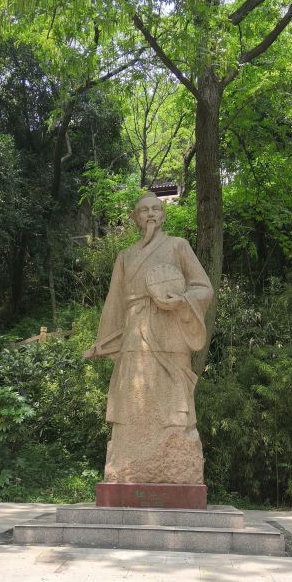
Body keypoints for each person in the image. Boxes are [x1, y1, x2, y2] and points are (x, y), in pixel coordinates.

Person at [84, 190, 214, 485]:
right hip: (134, 332)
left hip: (171, 330)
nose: (151, 213)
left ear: (163, 215)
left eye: (156, 208)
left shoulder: (178, 246)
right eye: (144, 210)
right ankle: (130, 460)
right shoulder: (125, 256)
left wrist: (181, 301)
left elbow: (204, 288)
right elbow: (114, 303)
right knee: (133, 393)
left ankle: (174, 456)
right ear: (135, 218)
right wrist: (105, 341)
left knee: (173, 395)